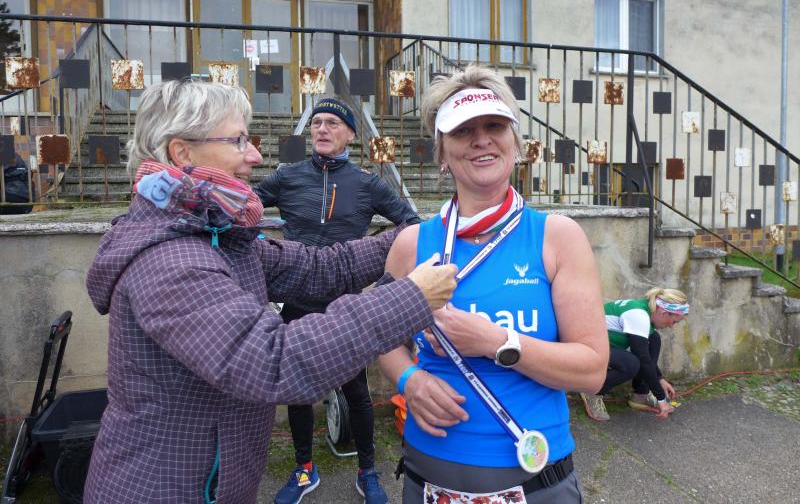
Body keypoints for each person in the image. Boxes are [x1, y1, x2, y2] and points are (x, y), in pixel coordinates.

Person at [82, 79, 457, 504]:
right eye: (238, 141)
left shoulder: (214, 235)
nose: (255, 156)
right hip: (163, 491)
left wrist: (427, 233)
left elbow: (322, 268)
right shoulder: (172, 259)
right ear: (182, 152)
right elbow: (275, 363)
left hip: (214, 485)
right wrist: (410, 297)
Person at [378, 65, 609, 503]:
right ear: (442, 152)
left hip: (536, 480)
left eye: (495, 126)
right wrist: (410, 379)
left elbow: (593, 371)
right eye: (464, 130)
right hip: (429, 476)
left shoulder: (557, 237)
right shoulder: (411, 244)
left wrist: (497, 342)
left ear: (515, 142)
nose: (481, 139)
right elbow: (382, 338)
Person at [255, 98, 421, 504]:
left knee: (356, 392)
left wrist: (386, 278)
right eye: (317, 123)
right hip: (298, 300)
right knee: (297, 391)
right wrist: (259, 245)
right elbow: (241, 211)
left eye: (332, 123)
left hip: (345, 305)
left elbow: (411, 224)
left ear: (349, 134)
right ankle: (304, 468)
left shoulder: (367, 183)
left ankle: (368, 471)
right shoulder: (288, 176)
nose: (322, 129)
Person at [581, 288, 689, 422]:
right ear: (663, 312)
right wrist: (661, 398)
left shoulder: (646, 311)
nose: (672, 326)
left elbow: (644, 355)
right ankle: (593, 391)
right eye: (674, 321)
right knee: (631, 364)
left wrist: (659, 379)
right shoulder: (638, 315)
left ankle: (641, 394)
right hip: (586, 344)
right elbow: (643, 359)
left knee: (654, 339)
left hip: (604, 343)